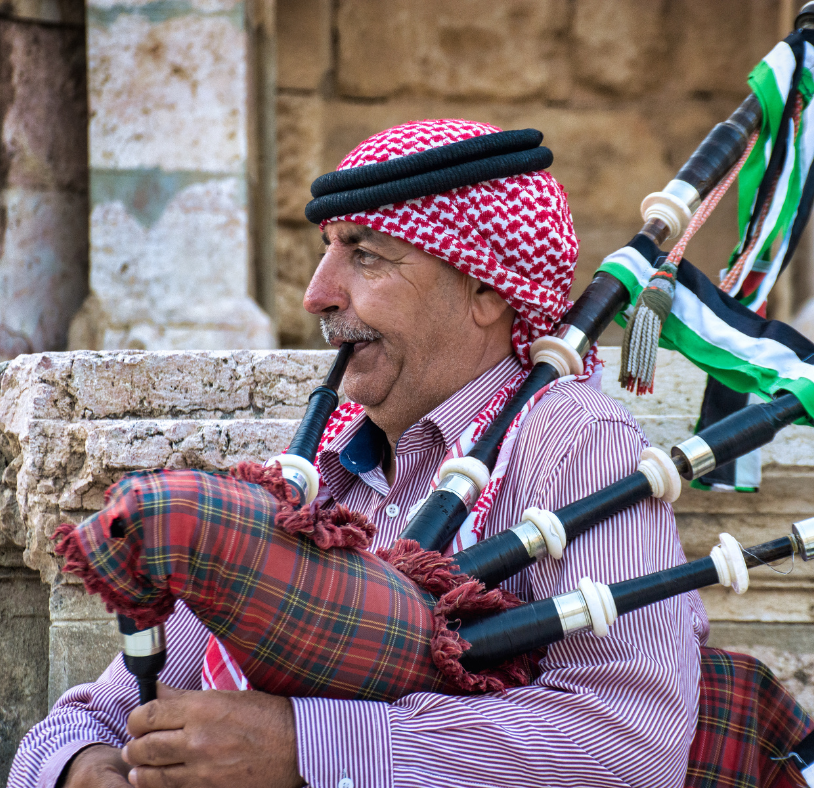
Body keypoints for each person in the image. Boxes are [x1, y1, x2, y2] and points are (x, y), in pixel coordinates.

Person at [11, 119, 708, 788]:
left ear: (487, 290)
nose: (317, 294)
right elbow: (92, 718)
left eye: (366, 255)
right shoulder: (320, 474)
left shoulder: (574, 444)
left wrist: (300, 746)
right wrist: (88, 772)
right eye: (329, 250)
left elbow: (628, 744)